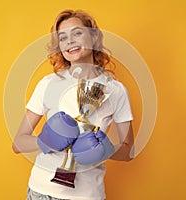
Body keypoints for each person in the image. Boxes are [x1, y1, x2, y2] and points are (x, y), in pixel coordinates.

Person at [12, 9, 134, 200]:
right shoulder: (48, 84)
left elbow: (129, 151)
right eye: (62, 37)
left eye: (77, 33)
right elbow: (18, 143)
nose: (69, 41)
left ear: (93, 37)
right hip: (41, 192)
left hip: (88, 196)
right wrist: (44, 141)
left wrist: (106, 150)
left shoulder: (115, 91)